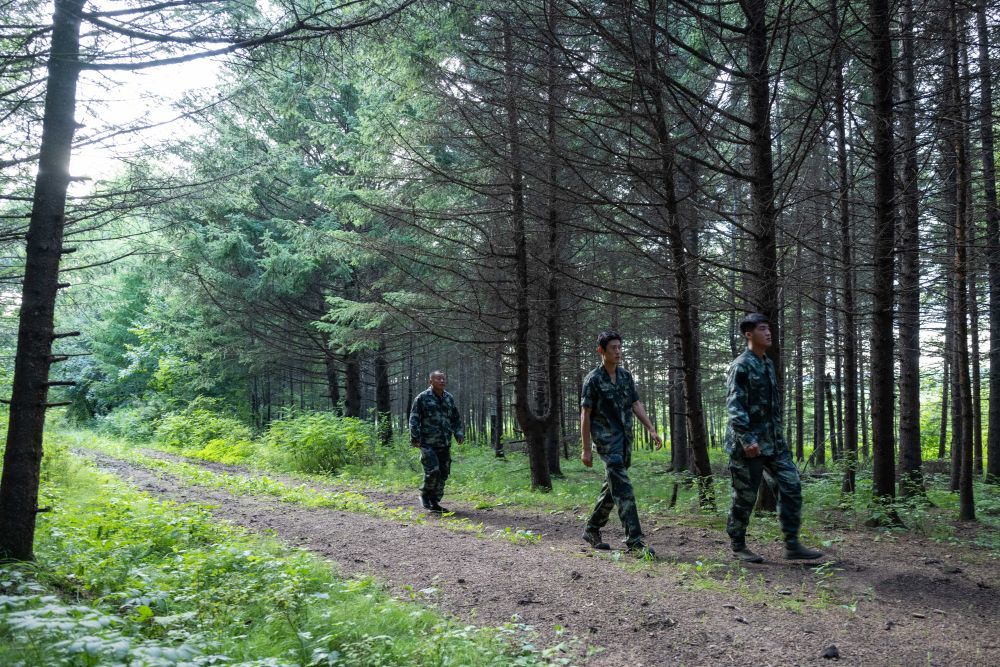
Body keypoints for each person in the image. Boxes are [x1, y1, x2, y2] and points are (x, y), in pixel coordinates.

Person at [725, 313, 823, 563]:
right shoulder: (741, 365)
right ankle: (738, 545)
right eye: (762, 329)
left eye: (768, 328)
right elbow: (735, 406)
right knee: (745, 496)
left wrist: (778, 436)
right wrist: (747, 439)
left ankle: (792, 544)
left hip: (773, 442)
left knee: (791, 485)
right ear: (749, 334)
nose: (768, 333)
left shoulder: (767, 363)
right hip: (748, 444)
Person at [580, 331, 662, 557]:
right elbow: (585, 414)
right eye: (613, 348)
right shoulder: (593, 380)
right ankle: (634, 541)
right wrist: (585, 449)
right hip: (607, 444)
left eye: (619, 347)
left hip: (624, 442)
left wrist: (651, 429)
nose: (618, 352)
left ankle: (592, 529)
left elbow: (635, 404)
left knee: (612, 488)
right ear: (601, 351)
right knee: (624, 489)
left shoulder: (625, 376)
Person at [410, 370, 464, 513]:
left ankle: (434, 501)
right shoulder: (422, 398)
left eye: (443, 379)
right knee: (433, 470)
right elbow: (414, 418)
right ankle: (424, 494)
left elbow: (455, 418)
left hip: (444, 442)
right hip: (427, 442)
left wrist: (458, 432)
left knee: (443, 473)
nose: (442, 381)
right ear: (430, 381)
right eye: (438, 379)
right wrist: (414, 437)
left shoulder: (449, 398)